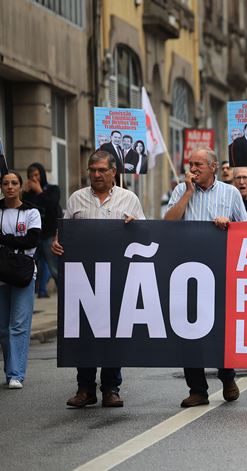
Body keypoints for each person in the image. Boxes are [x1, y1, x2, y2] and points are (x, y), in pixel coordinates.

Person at [54, 151, 145, 408]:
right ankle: (85, 389)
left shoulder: (129, 199)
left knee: (112, 334)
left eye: (101, 170)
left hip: (117, 278)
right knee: (84, 334)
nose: (96, 175)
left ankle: (110, 388)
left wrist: (135, 225)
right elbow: (63, 233)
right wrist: (57, 242)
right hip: (83, 279)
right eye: (92, 170)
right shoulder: (76, 199)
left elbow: (146, 236)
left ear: (113, 172)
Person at [165, 147, 247, 408]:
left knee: (220, 328)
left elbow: (246, 230)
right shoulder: (181, 190)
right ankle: (197, 389)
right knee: (189, 330)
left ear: (213, 167)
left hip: (219, 270)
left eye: (199, 164)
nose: (194, 168)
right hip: (187, 271)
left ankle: (227, 377)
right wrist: (188, 193)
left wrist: (229, 224)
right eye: (191, 164)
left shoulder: (230, 193)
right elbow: (168, 223)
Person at [0, 172, 41, 390]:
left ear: (20, 186)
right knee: (3, 327)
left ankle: (16, 374)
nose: (9, 187)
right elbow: (22, 241)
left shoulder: (31, 211)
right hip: (1, 272)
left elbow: (32, 241)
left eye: (14, 183)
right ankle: (10, 370)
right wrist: (15, 242)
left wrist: (5, 239)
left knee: (18, 325)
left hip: (24, 271)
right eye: (5, 183)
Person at [22, 163, 61, 299]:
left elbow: (52, 205)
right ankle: (35, 293)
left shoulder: (52, 189)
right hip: (33, 236)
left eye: (37, 175)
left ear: (42, 175)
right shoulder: (28, 194)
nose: (34, 179)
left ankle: (64, 296)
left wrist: (39, 191)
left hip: (48, 235)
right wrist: (24, 193)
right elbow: (23, 209)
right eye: (31, 176)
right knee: (31, 269)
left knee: (54, 269)